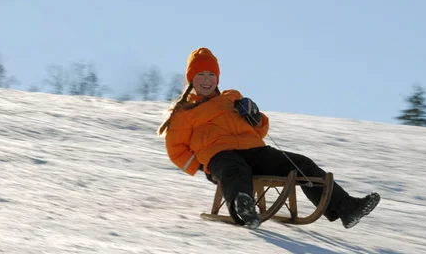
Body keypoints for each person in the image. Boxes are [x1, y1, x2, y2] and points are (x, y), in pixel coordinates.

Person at [157, 47, 380, 229]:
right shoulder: (185, 112)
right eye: (200, 75)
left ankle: (345, 208)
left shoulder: (231, 97)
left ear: (217, 77)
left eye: (211, 74)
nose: (206, 80)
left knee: (301, 163)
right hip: (220, 156)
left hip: (254, 150)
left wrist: (254, 115)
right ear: (191, 79)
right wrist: (201, 167)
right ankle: (243, 210)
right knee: (235, 171)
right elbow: (176, 149)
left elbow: (259, 130)